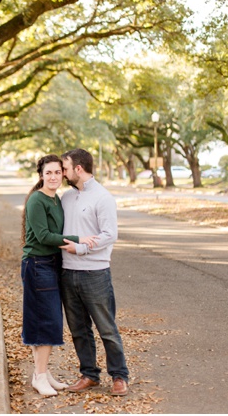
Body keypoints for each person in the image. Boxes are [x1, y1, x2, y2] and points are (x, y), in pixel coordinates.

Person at [21, 155, 96, 397]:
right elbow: (43, 236)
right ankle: (40, 377)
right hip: (37, 264)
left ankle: (41, 373)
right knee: (47, 321)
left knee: (43, 320)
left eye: (57, 172)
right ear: (41, 175)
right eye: (48, 172)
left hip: (52, 264)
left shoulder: (56, 200)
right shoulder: (37, 201)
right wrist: (78, 239)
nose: (53, 176)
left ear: (63, 175)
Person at [58, 148, 130, 396]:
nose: (63, 173)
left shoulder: (103, 197)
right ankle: (89, 374)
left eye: (65, 168)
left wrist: (81, 248)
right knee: (78, 329)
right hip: (68, 273)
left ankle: (120, 376)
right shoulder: (66, 197)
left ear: (78, 168)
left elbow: (110, 235)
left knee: (106, 328)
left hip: (95, 273)